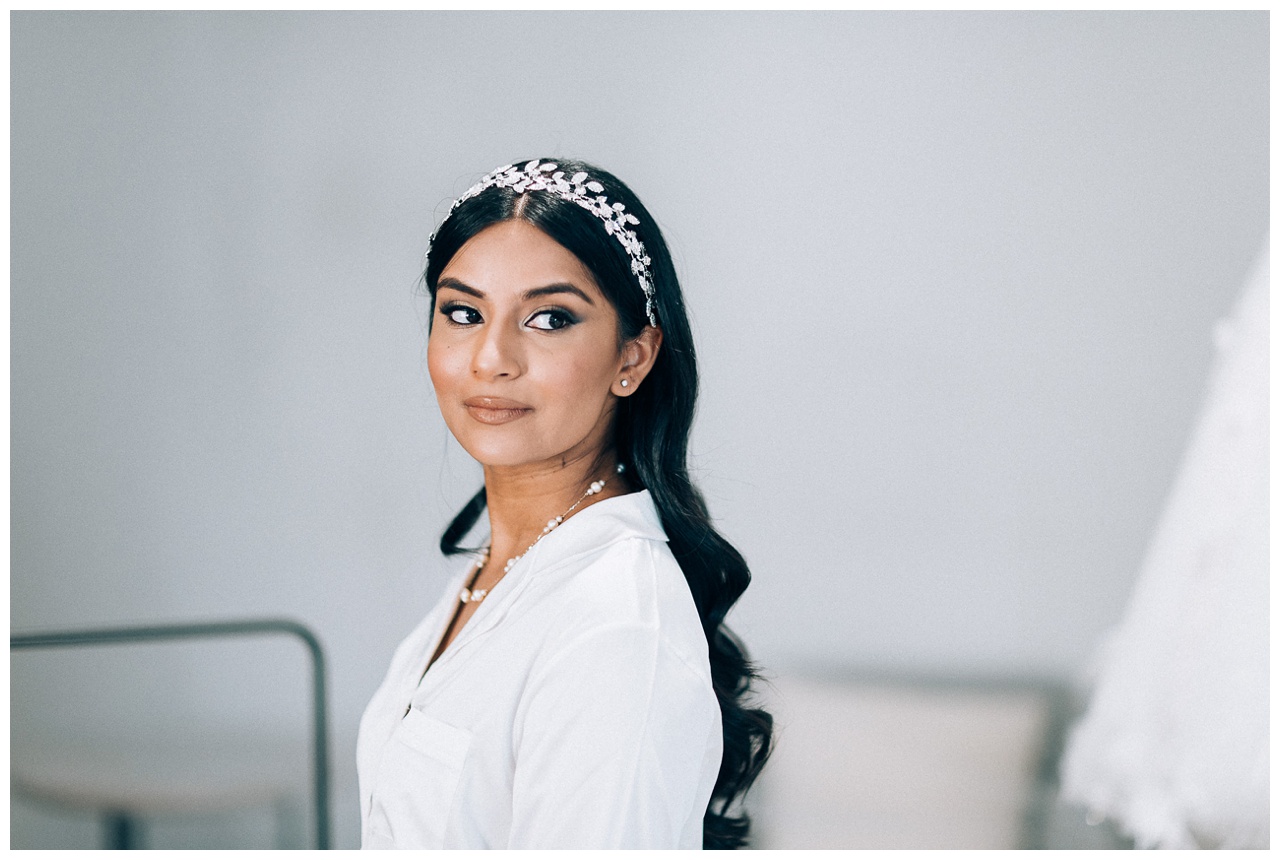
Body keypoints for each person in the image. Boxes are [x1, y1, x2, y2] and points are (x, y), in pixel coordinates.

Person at [356, 159, 772, 849]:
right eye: (463, 313)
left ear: (632, 358)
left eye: (549, 319)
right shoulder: (503, 569)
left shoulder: (613, 624)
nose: (491, 358)